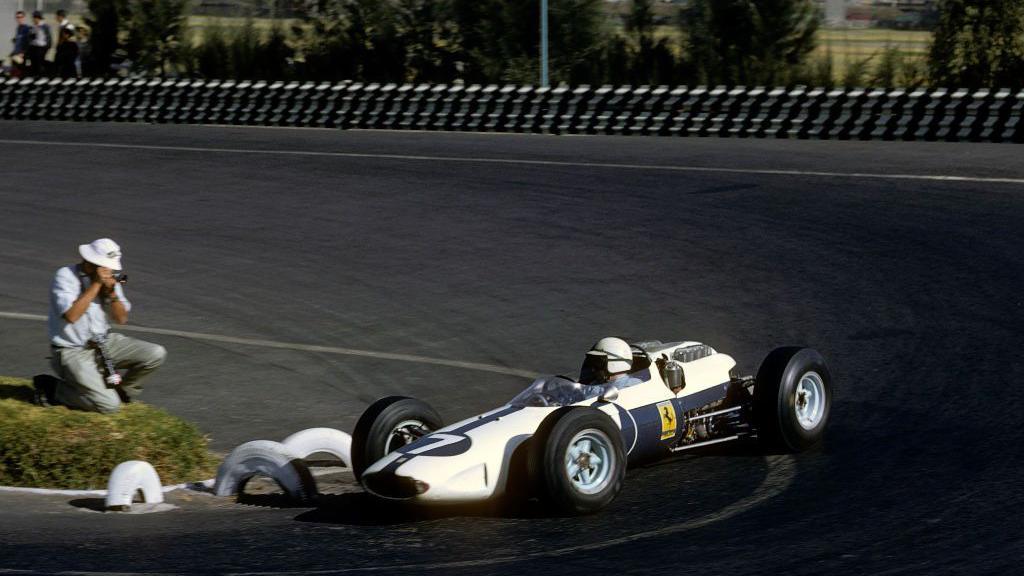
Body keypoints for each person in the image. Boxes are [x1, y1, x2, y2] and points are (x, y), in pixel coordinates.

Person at [38, 238, 167, 413]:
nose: (109, 271)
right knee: (109, 407)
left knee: (156, 354)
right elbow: (71, 316)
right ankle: (53, 389)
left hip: (104, 343)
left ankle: (123, 393)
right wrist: (96, 285)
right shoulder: (65, 276)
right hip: (72, 351)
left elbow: (121, 319)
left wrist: (111, 293)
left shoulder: (109, 278)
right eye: (105, 266)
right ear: (90, 262)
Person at [26, 10, 51, 77]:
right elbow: (31, 37)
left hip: (41, 48)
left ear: (38, 18)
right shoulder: (33, 26)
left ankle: (40, 77)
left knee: (39, 64)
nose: (33, 19)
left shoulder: (45, 26)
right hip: (33, 47)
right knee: (33, 64)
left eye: (34, 18)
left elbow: (49, 39)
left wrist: (46, 49)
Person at [9, 10, 31, 76]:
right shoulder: (18, 28)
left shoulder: (26, 28)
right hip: (16, 54)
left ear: (24, 18)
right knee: (13, 72)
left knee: (20, 72)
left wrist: (23, 53)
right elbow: (19, 41)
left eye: (21, 17)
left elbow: (27, 42)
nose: (19, 19)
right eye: (17, 17)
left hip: (22, 55)